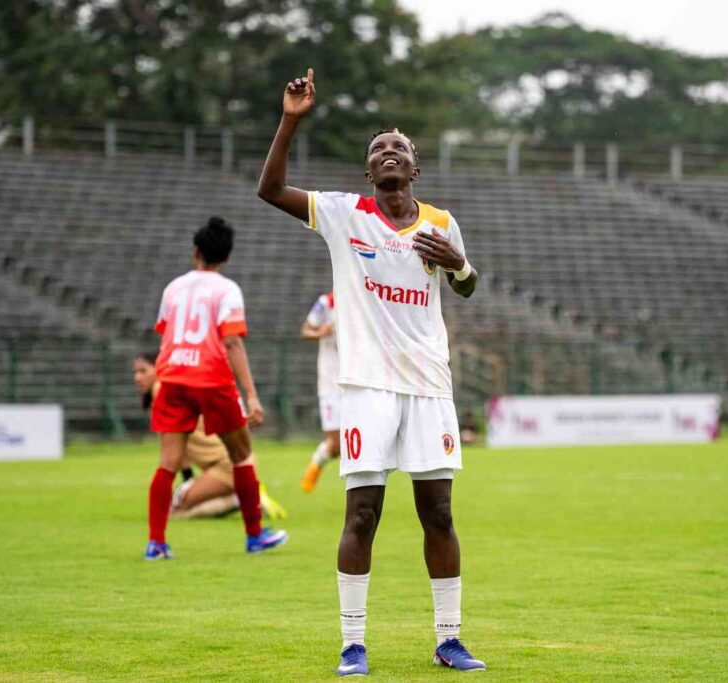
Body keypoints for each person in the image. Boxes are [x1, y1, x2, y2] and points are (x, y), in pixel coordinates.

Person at [257, 68, 486, 674]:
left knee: (438, 512)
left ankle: (449, 639)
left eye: (400, 149)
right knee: (363, 513)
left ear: (415, 170)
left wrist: (459, 264)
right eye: (378, 149)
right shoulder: (344, 213)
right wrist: (290, 121)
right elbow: (270, 189)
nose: (389, 153)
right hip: (364, 388)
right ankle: (353, 643)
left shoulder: (440, 223)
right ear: (368, 172)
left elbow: (467, 287)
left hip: (430, 388)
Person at [145, 216, 288, 559]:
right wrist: (251, 395)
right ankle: (255, 537)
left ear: (196, 251)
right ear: (226, 258)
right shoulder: (227, 290)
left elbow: (165, 332)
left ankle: (156, 543)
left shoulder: (173, 288)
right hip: (211, 379)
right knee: (241, 456)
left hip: (173, 377)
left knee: (168, 462)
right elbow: (233, 343)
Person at [132, 351, 287, 521]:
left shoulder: (161, 390)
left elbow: (173, 448)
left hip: (226, 467)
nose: (137, 378)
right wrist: (189, 482)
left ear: (159, 368)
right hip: (231, 463)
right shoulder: (169, 390)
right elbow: (180, 446)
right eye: (135, 372)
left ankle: (243, 500)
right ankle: (244, 497)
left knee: (175, 512)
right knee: (177, 508)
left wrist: (187, 481)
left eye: (143, 371)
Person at [299, 291, 341, 492]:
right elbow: (306, 330)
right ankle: (316, 464)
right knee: (335, 445)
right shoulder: (327, 303)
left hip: (356, 380)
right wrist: (320, 333)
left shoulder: (363, 298)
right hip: (330, 381)